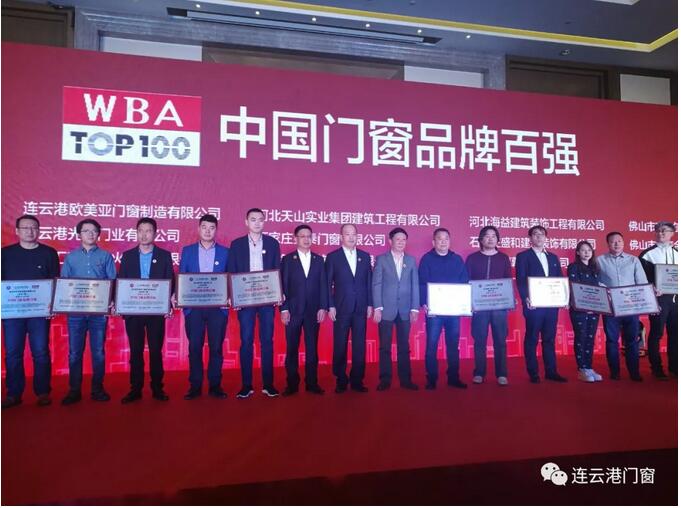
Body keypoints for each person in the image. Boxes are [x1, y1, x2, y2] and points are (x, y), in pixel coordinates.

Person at [1, 215, 59, 409]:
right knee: (13, 353)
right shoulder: (5, 254)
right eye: (25, 228)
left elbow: (55, 282)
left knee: (41, 352)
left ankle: (43, 392)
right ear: (17, 231)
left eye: (34, 227)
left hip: (39, 313)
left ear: (39, 230)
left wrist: (53, 306)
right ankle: (13, 393)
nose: (30, 231)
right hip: (12, 314)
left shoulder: (49, 253)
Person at [117, 218, 174, 403]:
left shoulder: (164, 256)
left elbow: (170, 281)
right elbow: (122, 282)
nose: (144, 235)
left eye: (148, 231)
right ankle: (135, 389)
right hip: (134, 312)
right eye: (140, 231)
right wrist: (121, 305)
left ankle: (157, 388)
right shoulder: (128, 256)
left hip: (156, 312)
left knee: (156, 351)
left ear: (155, 233)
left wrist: (168, 303)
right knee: (136, 351)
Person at [61, 219, 116, 405]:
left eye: (94, 231)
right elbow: (64, 283)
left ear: (98, 234)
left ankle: (97, 389)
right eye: (86, 231)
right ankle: (74, 390)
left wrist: (111, 301)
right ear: (79, 234)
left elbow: (112, 282)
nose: (90, 234)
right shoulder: (71, 257)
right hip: (75, 313)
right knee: (74, 353)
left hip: (98, 314)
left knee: (98, 352)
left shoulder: (106, 256)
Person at [228, 208, 281, 398]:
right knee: (246, 341)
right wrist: (234, 296)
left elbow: (277, 269)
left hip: (267, 299)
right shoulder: (237, 245)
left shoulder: (273, 243)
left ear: (264, 222)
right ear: (246, 222)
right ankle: (246, 385)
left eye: (260, 219)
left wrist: (278, 293)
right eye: (253, 219)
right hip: (245, 300)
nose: (257, 223)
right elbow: (232, 270)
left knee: (267, 341)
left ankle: (268, 384)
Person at [179, 214, 229, 399]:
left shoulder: (226, 252)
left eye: (212, 228)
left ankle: (215, 385)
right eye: (204, 227)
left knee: (216, 348)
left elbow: (230, 278)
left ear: (216, 230)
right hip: (194, 309)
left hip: (218, 309)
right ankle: (195, 386)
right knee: (194, 348)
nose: (208, 231)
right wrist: (180, 298)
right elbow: (182, 276)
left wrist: (230, 297)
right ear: (198, 229)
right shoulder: (187, 251)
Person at [515, 225, 567, 383]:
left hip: (551, 305)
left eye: (542, 234)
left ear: (546, 238)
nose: (539, 237)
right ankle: (533, 373)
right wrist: (526, 298)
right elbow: (521, 279)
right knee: (532, 338)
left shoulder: (553, 257)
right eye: (535, 234)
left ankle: (551, 371)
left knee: (549, 339)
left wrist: (564, 298)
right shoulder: (523, 256)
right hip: (534, 305)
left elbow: (559, 279)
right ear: (530, 238)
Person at [418, 227, 469, 389]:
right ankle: (431, 379)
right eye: (440, 239)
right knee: (432, 345)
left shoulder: (457, 259)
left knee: (453, 345)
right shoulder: (427, 259)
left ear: (450, 241)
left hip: (453, 310)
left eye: (446, 238)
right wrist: (424, 303)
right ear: (434, 242)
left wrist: (464, 304)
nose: (443, 241)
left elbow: (464, 282)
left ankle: (453, 377)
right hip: (434, 311)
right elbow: (421, 283)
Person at [280, 225, 328, 396]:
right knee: (292, 348)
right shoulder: (287, 260)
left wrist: (323, 306)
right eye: (302, 236)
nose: (306, 239)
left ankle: (312, 383)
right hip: (293, 311)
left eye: (309, 236)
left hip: (313, 311)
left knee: (312, 348)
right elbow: (282, 285)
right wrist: (284, 309)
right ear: (296, 239)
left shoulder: (318, 260)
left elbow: (323, 285)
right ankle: (292, 384)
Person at [325, 224, 373, 393]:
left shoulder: (365, 256)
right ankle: (341, 379)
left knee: (359, 345)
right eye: (347, 234)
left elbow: (368, 282)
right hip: (341, 307)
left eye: (354, 234)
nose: (351, 237)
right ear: (341, 237)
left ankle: (357, 380)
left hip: (360, 307)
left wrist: (370, 304)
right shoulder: (333, 257)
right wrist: (330, 305)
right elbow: (327, 283)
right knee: (340, 344)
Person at [372, 227, 420, 391]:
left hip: (405, 310)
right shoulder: (381, 259)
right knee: (385, 347)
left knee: (404, 346)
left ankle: (406, 380)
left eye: (403, 240)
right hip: (386, 309)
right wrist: (378, 307)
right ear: (390, 241)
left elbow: (415, 285)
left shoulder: (411, 261)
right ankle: (385, 380)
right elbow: (376, 284)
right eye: (397, 239)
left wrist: (415, 308)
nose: (401, 242)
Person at [597, 231, 648, 381]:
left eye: (619, 241)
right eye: (613, 241)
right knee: (612, 340)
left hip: (630, 307)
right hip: (611, 307)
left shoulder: (633, 260)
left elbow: (642, 283)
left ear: (623, 242)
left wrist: (647, 302)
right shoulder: (600, 261)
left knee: (632, 340)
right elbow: (596, 282)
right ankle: (615, 372)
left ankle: (634, 372)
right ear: (608, 244)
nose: (616, 244)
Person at [465, 226, 511, 386]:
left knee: (500, 341)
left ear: (497, 240)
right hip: (479, 307)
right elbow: (467, 282)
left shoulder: (503, 258)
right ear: (480, 239)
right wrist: (469, 302)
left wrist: (509, 300)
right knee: (479, 340)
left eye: (493, 236)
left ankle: (502, 374)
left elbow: (508, 281)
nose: (490, 239)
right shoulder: (472, 258)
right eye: (487, 236)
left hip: (499, 307)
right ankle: (479, 372)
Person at [639, 221, 677, 379]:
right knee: (656, 333)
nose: (661, 233)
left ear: (672, 233)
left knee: (675, 334)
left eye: (664, 231)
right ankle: (656, 368)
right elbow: (641, 279)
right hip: (657, 299)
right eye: (658, 231)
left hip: (676, 299)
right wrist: (652, 288)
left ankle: (674, 367)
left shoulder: (677, 253)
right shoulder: (647, 254)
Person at [567, 241, 604, 383]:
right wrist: (585, 304)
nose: (587, 252)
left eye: (589, 250)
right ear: (577, 252)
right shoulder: (573, 267)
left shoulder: (595, 268)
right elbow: (575, 287)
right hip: (579, 308)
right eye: (583, 250)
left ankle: (589, 367)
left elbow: (598, 287)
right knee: (581, 337)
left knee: (590, 337)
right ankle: (581, 368)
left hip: (594, 308)